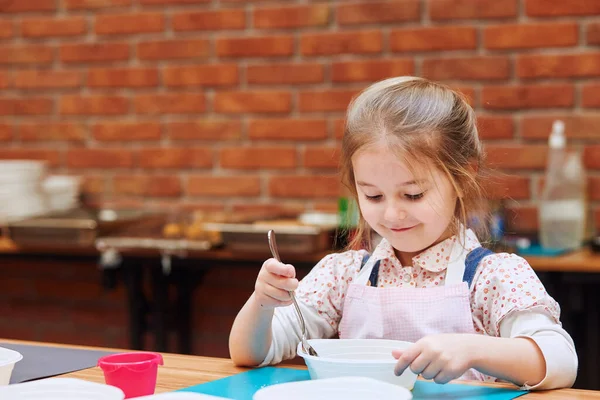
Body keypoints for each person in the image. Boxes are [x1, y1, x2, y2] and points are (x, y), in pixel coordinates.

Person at [228, 76, 578, 390]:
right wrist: (263, 304)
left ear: (460, 177)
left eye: (413, 194)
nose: (392, 213)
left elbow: (561, 361)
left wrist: (472, 349)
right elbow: (250, 354)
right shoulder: (343, 275)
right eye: (373, 195)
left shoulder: (494, 276)